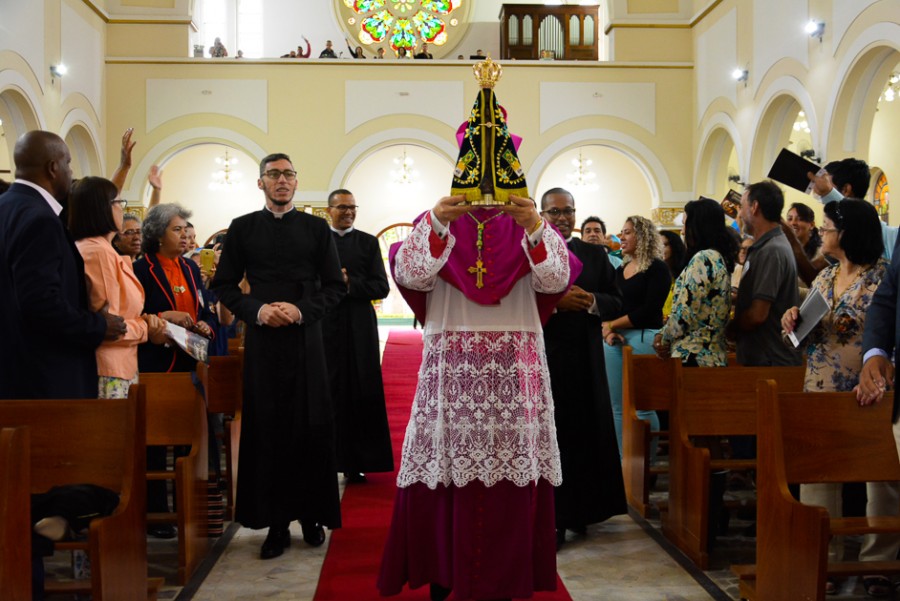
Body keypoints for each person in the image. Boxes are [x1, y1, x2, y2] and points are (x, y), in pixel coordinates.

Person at [378, 193, 577, 601]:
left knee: (509, 478)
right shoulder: (439, 219)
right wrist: (437, 221)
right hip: (454, 370)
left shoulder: (527, 220)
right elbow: (410, 275)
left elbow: (556, 281)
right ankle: (445, 577)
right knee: (446, 471)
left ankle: (502, 583)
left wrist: (534, 227)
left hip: (513, 372)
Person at [211, 153, 346, 559]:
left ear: (296, 181)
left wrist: (301, 310)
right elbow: (224, 285)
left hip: (307, 339)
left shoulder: (316, 228)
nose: (282, 180)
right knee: (269, 429)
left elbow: (334, 287)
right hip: (263, 342)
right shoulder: (242, 228)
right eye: (274, 174)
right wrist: (257, 311)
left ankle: (312, 516)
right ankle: (276, 523)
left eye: (288, 174)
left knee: (311, 426)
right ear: (261, 183)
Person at [782, 199, 889, 596]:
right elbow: (802, 334)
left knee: (880, 481)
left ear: (847, 233)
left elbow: (890, 332)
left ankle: (879, 563)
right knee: (818, 477)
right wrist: (791, 318)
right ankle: (823, 558)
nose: (822, 233)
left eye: (827, 227)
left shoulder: (882, 276)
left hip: (869, 390)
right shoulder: (826, 276)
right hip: (820, 386)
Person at [0, 130, 126, 400]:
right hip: (43, 375)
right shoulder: (40, 219)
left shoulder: (6, 207)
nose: (71, 172)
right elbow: (40, 304)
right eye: (68, 163)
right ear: (53, 167)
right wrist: (98, 325)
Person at [539, 188, 626, 550]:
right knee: (553, 438)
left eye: (568, 211)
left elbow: (616, 300)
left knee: (583, 434)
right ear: (541, 214)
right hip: (544, 359)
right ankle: (555, 518)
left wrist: (590, 300)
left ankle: (583, 510)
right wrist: (555, 304)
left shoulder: (592, 254)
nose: (563, 218)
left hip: (584, 360)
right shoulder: (530, 252)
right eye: (555, 212)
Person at [134, 203, 216, 537]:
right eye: (176, 229)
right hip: (157, 363)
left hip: (190, 361)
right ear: (157, 234)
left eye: (185, 229)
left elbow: (203, 308)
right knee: (155, 443)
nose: (184, 235)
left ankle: (191, 510)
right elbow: (134, 314)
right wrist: (165, 317)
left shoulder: (190, 268)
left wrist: (206, 324)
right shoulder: (141, 269)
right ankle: (158, 513)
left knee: (191, 438)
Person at [70, 176, 168, 399]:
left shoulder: (104, 250)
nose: (122, 209)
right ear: (102, 209)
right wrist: (146, 328)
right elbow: (110, 325)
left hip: (120, 363)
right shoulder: (98, 252)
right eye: (118, 202)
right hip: (108, 366)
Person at [321, 189, 393, 483]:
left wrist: (349, 282)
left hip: (359, 326)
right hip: (325, 324)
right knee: (328, 389)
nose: (348, 212)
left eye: (352, 207)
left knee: (362, 389)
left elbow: (381, 287)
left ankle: (358, 461)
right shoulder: (318, 242)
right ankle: (326, 459)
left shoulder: (368, 242)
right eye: (342, 207)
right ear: (329, 211)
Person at [602, 215, 671, 455]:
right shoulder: (621, 269)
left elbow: (649, 309)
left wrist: (612, 325)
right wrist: (607, 330)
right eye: (622, 232)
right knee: (617, 407)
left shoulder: (657, 268)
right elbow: (611, 305)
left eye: (628, 232)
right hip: (615, 341)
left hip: (644, 337)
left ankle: (645, 464)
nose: (621, 236)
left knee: (643, 406)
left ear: (643, 236)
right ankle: (623, 462)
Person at [654, 198, 738, 367]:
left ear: (698, 226)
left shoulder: (703, 258)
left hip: (695, 355)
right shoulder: (717, 257)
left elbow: (685, 313)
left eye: (685, 224)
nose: (683, 231)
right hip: (712, 354)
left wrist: (662, 337)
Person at [726, 181, 801, 367]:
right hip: (762, 358)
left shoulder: (772, 250)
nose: (740, 214)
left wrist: (731, 328)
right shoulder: (765, 246)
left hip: (769, 361)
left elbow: (758, 314)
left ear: (755, 207)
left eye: (742, 207)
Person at [659, 229, 686, 319]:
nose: (660, 249)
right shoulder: (653, 274)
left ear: (674, 247)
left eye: (665, 245)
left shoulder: (684, 273)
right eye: (657, 245)